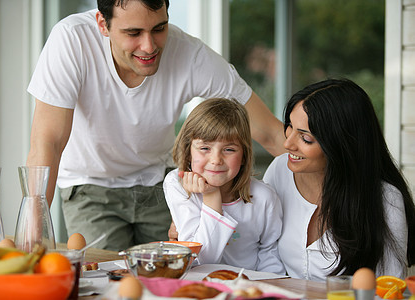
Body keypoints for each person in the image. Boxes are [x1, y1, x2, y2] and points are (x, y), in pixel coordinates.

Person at [26, 0, 285, 251]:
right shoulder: (72, 41)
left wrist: (323, 192)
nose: (149, 46)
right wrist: (32, 237)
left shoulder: (190, 55)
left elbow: (272, 134)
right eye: (133, 32)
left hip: (159, 183)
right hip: (91, 185)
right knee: (108, 281)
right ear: (102, 24)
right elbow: (48, 143)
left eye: (159, 29)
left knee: (176, 277)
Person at [263, 78, 415, 281]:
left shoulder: (385, 200)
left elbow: (389, 288)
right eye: (290, 126)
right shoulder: (279, 170)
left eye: (305, 138)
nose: (288, 143)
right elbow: (261, 248)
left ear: (340, 144)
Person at [163, 98, 285, 274]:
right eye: (205, 148)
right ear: (188, 151)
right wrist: (212, 196)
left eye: (229, 149)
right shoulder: (177, 184)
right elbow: (201, 259)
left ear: (244, 155)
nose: (216, 160)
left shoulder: (264, 197)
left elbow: (270, 253)